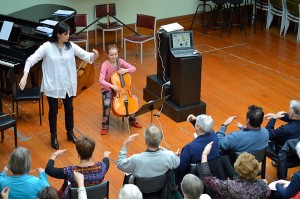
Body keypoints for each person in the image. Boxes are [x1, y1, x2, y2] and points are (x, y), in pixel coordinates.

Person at [19, 22, 99, 149]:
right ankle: (53, 136)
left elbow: (86, 56)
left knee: (69, 108)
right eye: (65, 34)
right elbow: (30, 60)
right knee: (54, 111)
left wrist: (94, 55)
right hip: (53, 84)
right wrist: (24, 75)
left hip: (67, 84)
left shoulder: (71, 46)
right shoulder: (46, 47)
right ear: (58, 35)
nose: (68, 36)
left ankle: (70, 132)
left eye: (68, 33)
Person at [45, 135, 110, 199]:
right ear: (92, 152)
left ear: (78, 153)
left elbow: (49, 169)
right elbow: (106, 162)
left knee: (66, 182)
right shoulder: (102, 168)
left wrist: (54, 155)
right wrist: (106, 155)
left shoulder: (70, 171)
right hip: (96, 196)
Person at [199, 142, 271, 199]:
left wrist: (204, 155)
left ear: (237, 168)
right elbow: (267, 194)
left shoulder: (229, 186)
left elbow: (207, 179)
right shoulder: (263, 185)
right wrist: (263, 184)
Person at [99, 44, 142, 135]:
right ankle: (105, 125)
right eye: (111, 55)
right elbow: (101, 80)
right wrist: (112, 86)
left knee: (134, 99)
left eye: (115, 54)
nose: (114, 57)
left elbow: (133, 68)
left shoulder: (120, 61)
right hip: (108, 88)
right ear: (107, 55)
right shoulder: (105, 65)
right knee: (107, 104)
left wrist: (125, 70)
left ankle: (132, 120)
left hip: (122, 89)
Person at [176, 114, 219, 185]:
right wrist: (195, 121)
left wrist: (175, 158)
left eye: (196, 123)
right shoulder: (215, 137)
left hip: (192, 182)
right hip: (211, 177)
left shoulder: (189, 148)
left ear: (198, 127)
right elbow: (209, 130)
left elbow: (180, 169)